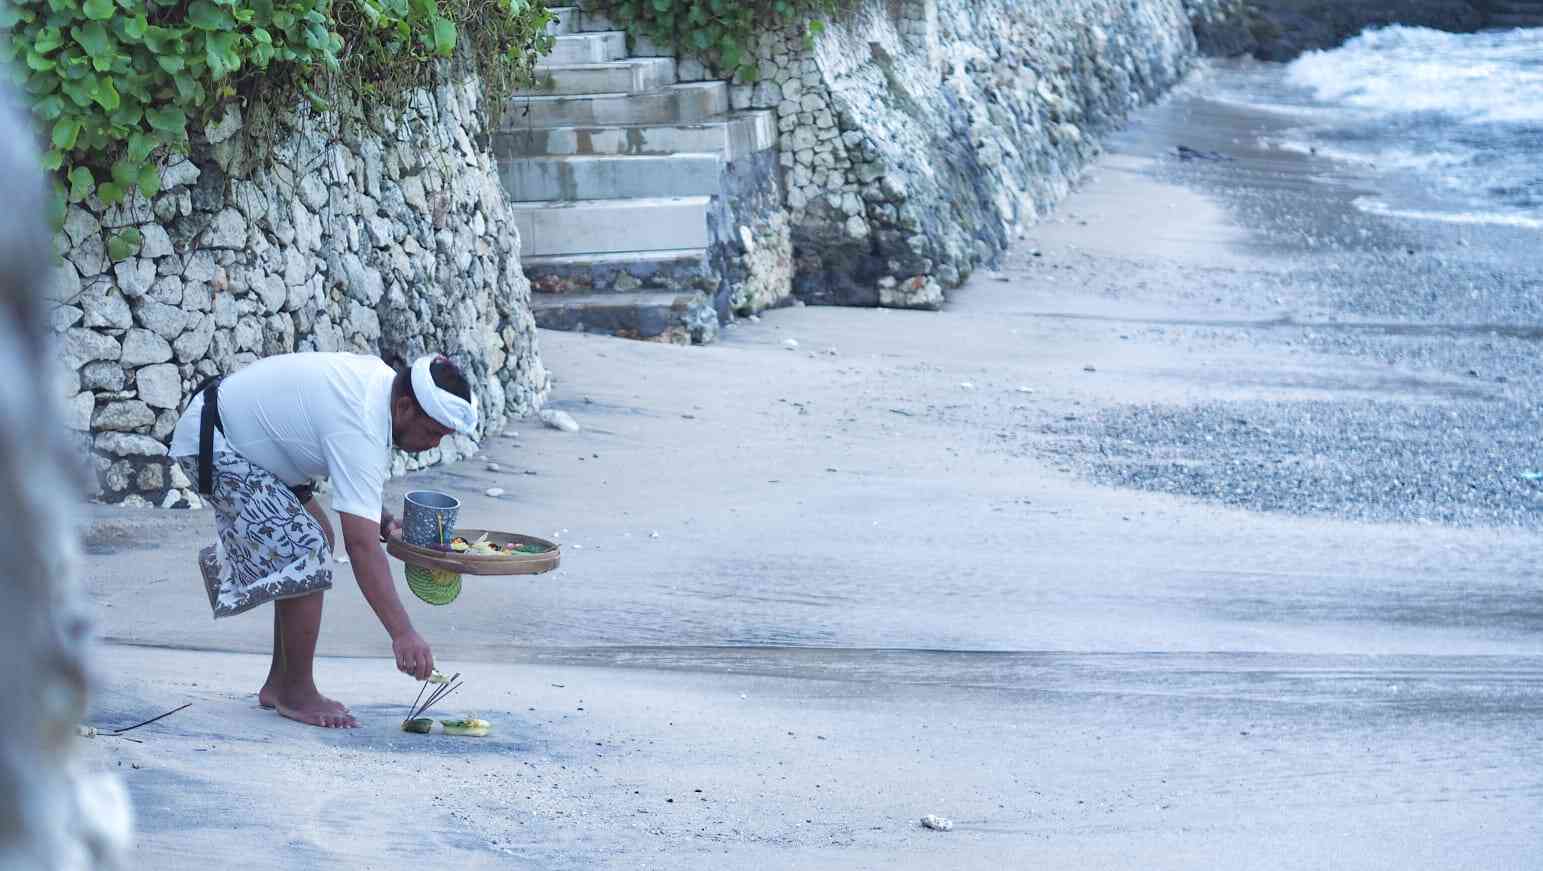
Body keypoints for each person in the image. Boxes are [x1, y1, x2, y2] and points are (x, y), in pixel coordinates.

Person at [169, 352, 479, 728]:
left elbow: (353, 484)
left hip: (252, 446)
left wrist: (381, 520)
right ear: (404, 407)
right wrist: (403, 634)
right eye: (432, 433)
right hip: (216, 444)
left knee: (316, 535)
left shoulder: (377, 390)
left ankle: (279, 683)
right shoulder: (362, 421)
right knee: (306, 547)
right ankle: (296, 692)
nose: (434, 445)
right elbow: (361, 546)